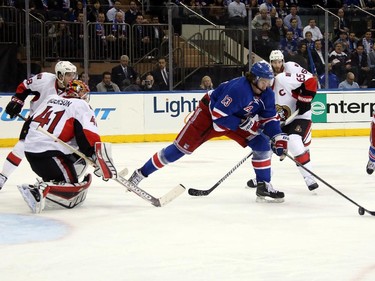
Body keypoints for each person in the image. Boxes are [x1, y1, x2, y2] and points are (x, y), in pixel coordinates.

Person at [128, 61, 289, 203]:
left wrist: (277, 137)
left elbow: (269, 118)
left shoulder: (267, 94)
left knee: (261, 144)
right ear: (253, 78)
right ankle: (141, 173)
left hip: (234, 119)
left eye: (269, 81)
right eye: (264, 81)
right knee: (179, 150)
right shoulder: (239, 89)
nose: (267, 85)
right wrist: (245, 124)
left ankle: (264, 186)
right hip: (208, 116)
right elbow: (218, 117)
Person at [17, 80, 117, 213]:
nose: (85, 96)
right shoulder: (81, 105)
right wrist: (96, 156)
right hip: (50, 154)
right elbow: (87, 135)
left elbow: (29, 122)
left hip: (30, 152)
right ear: (77, 93)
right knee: (73, 189)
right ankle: (39, 191)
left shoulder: (51, 98)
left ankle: (50, 182)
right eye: (83, 93)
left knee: (74, 157)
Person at [247, 50, 319, 191]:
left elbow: (311, 81)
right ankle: (264, 177)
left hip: (298, 116)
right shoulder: (260, 92)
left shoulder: (283, 78)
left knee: (294, 141)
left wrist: (304, 100)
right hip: (279, 121)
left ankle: (309, 177)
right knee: (264, 146)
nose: (263, 84)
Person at [0, 61, 77, 190]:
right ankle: (2, 176)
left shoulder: (74, 89)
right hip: (37, 123)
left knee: (66, 150)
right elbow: (24, 86)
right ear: (59, 75)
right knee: (21, 147)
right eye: (68, 74)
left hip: (58, 127)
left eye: (73, 75)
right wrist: (17, 101)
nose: (72, 78)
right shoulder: (44, 79)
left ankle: (62, 175)